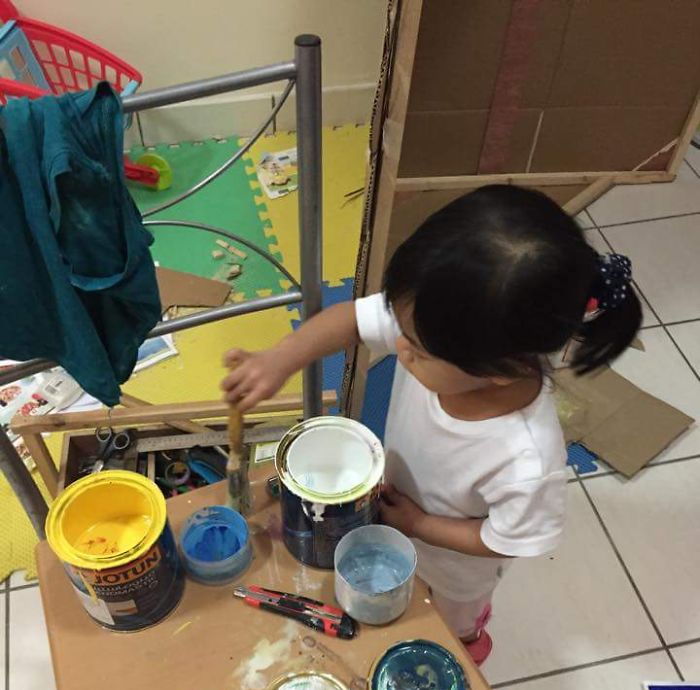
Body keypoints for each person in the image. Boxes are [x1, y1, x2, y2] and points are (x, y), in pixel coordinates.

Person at [221, 185, 641, 665]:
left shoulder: (526, 458)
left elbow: (502, 537)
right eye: (402, 330)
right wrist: (278, 361)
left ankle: (467, 638)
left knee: (442, 626)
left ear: (497, 371)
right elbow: (352, 320)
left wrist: (421, 524)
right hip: (395, 509)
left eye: (417, 350)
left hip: (452, 571)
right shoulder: (441, 324)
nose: (399, 348)